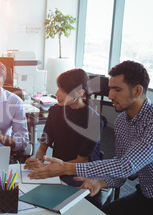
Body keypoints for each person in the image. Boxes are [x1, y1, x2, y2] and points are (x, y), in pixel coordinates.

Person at [29, 61, 153, 215]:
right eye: (109, 88)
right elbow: (120, 171)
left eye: (117, 89)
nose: (109, 95)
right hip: (145, 196)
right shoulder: (122, 121)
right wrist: (99, 182)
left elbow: (126, 166)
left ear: (137, 91)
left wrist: (67, 168)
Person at [24, 69, 108, 206]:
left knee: (53, 201)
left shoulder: (93, 121)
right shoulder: (55, 111)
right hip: (58, 170)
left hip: (80, 172)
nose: (57, 93)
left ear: (80, 93)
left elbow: (81, 161)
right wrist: (38, 161)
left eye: (63, 90)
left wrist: (47, 168)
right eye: (58, 88)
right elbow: (44, 145)